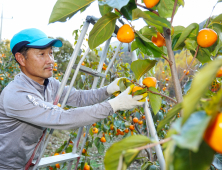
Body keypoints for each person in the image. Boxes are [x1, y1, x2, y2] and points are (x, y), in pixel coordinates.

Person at [0, 28, 146, 169]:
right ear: (21, 59)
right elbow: (62, 118)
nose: (51, 60)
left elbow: (79, 97)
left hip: (29, 163)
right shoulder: (16, 95)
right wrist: (114, 105)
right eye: (42, 54)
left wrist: (107, 90)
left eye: (51, 53)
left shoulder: (50, 84)